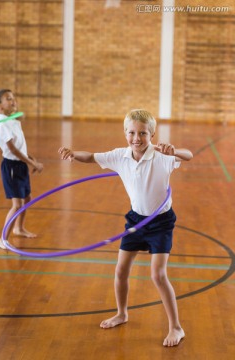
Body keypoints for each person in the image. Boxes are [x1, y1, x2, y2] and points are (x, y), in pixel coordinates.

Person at [58, 109, 193, 347]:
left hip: (160, 222)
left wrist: (175, 151)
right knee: (120, 271)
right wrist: (72, 154)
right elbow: (90, 156)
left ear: (151, 134)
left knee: (158, 275)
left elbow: (189, 155)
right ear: (125, 133)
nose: (136, 138)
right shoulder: (119, 156)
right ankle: (122, 313)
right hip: (135, 221)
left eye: (142, 133)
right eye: (131, 132)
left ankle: (176, 327)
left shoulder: (161, 155)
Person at [0, 89, 43, 249]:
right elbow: (12, 150)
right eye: (8, 99)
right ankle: (3, 239)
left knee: (27, 199)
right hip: (12, 167)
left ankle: (19, 228)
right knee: (17, 204)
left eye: (13, 98)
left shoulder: (12, 121)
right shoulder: (1, 125)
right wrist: (32, 163)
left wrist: (30, 158)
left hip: (21, 164)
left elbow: (19, 146)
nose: (13, 101)